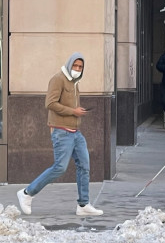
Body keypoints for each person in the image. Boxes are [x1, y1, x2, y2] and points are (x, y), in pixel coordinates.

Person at [16, 52, 103, 216]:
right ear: (69, 64)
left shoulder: (74, 82)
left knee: (84, 166)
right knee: (60, 168)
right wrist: (73, 111)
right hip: (61, 132)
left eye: (80, 67)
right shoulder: (58, 79)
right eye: (75, 66)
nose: (77, 69)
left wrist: (77, 112)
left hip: (76, 133)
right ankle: (27, 193)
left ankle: (83, 205)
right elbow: (50, 103)